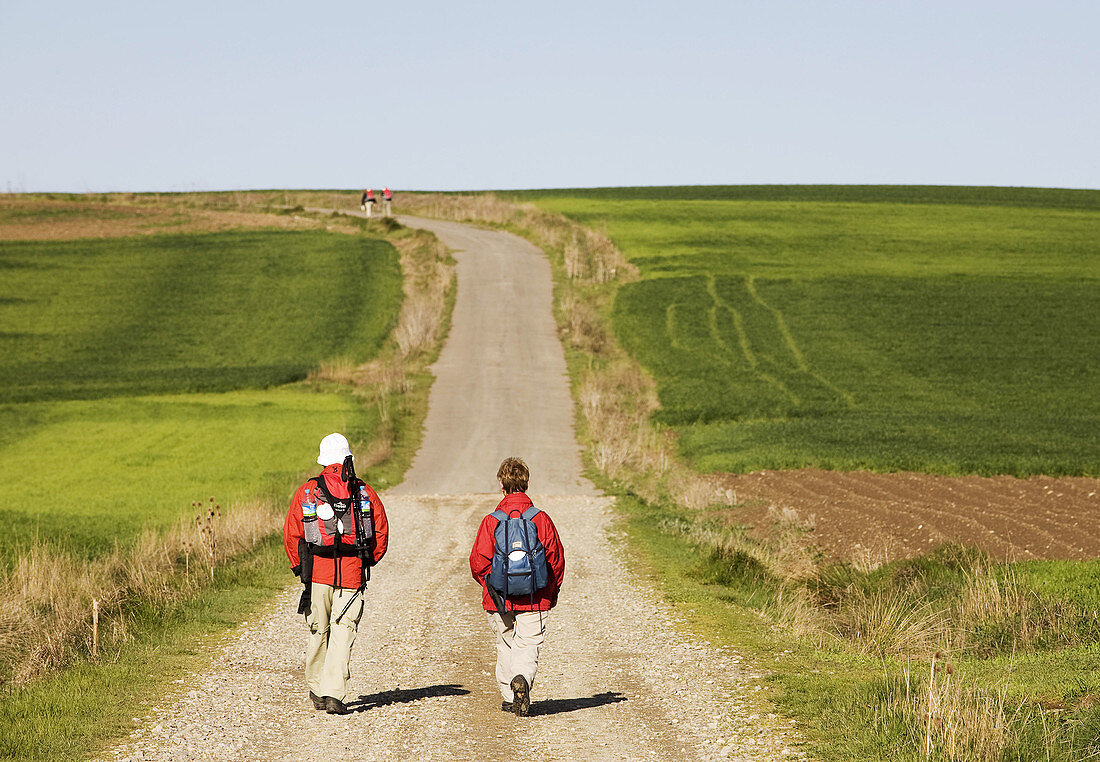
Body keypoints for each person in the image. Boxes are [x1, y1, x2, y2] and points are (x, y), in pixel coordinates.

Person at [284, 433, 389, 715]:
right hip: (353, 573)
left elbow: (293, 532)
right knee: (344, 632)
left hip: (318, 573)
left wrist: (300, 568)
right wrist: (367, 560)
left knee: (319, 629)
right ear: (347, 458)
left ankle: (317, 690)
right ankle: (334, 694)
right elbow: (380, 531)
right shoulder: (364, 491)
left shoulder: (307, 491)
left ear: (323, 460)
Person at [469, 457, 565, 716]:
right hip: (536, 596)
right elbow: (555, 559)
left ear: (501, 484)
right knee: (528, 643)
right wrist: (551, 592)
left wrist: (492, 585)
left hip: (499, 599)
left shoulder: (492, 520)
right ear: (527, 483)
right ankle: (521, 677)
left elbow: (478, 562)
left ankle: (511, 695)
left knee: (505, 643)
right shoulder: (541, 519)